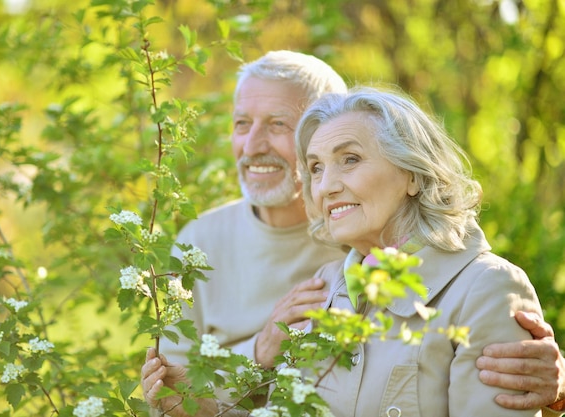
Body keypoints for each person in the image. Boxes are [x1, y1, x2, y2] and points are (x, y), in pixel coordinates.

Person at [146, 51, 565, 414]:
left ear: (412, 174)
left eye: (349, 159)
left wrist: (558, 392)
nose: (326, 184)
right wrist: (194, 403)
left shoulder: (482, 287)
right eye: (316, 168)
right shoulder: (325, 285)